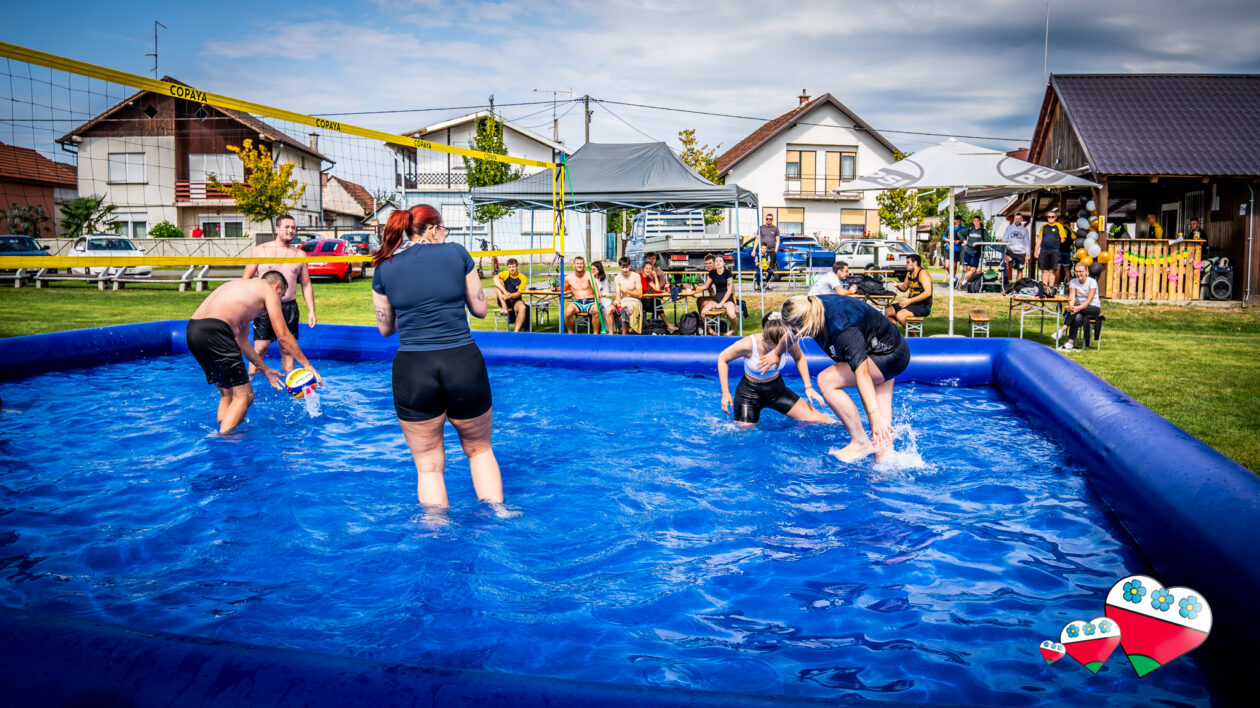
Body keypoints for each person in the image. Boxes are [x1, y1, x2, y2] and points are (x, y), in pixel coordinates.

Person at [370, 204, 504, 511]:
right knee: (480, 450)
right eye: (443, 229)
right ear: (432, 229)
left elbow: (385, 329)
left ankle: (435, 532)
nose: (445, 235)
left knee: (428, 466)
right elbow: (480, 310)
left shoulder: (384, 267)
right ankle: (497, 515)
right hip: (462, 361)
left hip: (414, 368)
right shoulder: (457, 254)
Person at [760, 294, 911, 463]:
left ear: (807, 323)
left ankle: (860, 442)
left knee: (826, 381)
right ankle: (886, 473)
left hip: (889, 356)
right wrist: (777, 352)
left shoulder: (843, 329)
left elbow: (862, 374)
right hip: (886, 345)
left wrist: (874, 415)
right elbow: (792, 332)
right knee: (881, 436)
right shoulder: (811, 306)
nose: (796, 335)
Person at [187, 272, 322, 435]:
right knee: (245, 396)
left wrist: (264, 368)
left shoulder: (243, 292)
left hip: (193, 331)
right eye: (281, 295)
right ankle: (224, 441)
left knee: (227, 393)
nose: (279, 300)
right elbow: (283, 335)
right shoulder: (268, 290)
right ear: (277, 286)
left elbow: (242, 342)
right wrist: (307, 365)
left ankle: (222, 430)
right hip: (216, 331)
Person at [717, 313, 833, 426]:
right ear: (765, 338)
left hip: (777, 391)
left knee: (824, 421)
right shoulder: (748, 344)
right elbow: (723, 358)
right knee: (744, 436)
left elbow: (799, 357)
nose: (779, 351)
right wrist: (725, 393)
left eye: (782, 347)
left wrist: (808, 387)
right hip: (749, 394)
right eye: (774, 347)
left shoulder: (788, 341)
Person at [242, 214, 316, 375]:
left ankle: (290, 381)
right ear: (277, 229)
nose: (291, 231)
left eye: (293, 228)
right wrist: (246, 308)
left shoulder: (299, 255)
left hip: (289, 306)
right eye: (287, 227)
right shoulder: (261, 250)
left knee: (288, 348)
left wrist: (311, 310)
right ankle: (252, 380)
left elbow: (306, 283)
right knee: (261, 347)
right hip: (263, 307)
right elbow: (245, 280)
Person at [1051, 262, 1101, 352]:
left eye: (1081, 271)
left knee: (1076, 311)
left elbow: (1088, 301)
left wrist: (1076, 308)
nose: (1078, 274)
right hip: (1079, 309)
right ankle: (1070, 343)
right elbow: (1072, 298)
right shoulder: (1073, 282)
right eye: (1076, 271)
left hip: (1093, 308)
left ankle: (1062, 329)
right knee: (1077, 317)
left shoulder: (1092, 282)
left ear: (1087, 272)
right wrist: (1071, 306)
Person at [885, 254, 933, 326]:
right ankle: (895, 334)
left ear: (915, 263)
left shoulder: (923, 273)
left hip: (922, 306)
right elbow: (904, 288)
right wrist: (898, 286)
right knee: (886, 312)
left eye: (908, 262)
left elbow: (928, 292)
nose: (906, 265)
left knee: (900, 315)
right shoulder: (909, 273)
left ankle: (914, 337)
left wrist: (910, 300)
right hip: (910, 303)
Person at [696, 252, 737, 334]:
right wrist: (696, 286)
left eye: (720, 261)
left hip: (728, 298)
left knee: (732, 315)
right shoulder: (712, 273)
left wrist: (721, 303)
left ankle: (733, 329)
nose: (718, 263)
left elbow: (729, 290)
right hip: (717, 298)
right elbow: (706, 286)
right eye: (716, 261)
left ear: (724, 263)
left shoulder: (728, 273)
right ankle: (711, 330)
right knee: (703, 313)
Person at [1033, 210, 1069, 292]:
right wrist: (1036, 250)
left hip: (1054, 251)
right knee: (1044, 270)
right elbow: (1040, 238)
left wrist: (1055, 243)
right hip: (1044, 250)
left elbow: (1063, 238)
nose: (1050, 218)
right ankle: (1044, 287)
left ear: (1055, 218)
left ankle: (1051, 287)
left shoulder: (1059, 226)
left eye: (1052, 217)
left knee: (1052, 270)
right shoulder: (1044, 226)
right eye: (1049, 217)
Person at [563, 256, 601, 333]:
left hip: (590, 301)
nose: (579, 265)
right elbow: (563, 288)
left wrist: (596, 303)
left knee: (596, 311)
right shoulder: (568, 278)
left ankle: (595, 335)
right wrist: (554, 287)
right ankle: (570, 334)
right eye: (577, 263)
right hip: (577, 302)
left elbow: (596, 290)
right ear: (573, 265)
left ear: (584, 265)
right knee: (568, 312)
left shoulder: (589, 275)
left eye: (581, 263)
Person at [640, 262, 678, 332]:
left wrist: (655, 277)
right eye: (646, 268)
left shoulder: (648, 279)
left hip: (645, 300)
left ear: (652, 270)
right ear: (643, 269)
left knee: (656, 303)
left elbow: (657, 289)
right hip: (639, 300)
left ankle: (652, 326)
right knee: (657, 304)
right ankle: (666, 324)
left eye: (650, 269)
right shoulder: (639, 276)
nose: (648, 270)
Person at [495, 258, 529, 333]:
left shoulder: (522, 278)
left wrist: (510, 295)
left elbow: (519, 293)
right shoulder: (505, 274)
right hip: (503, 299)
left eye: (513, 266)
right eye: (510, 267)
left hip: (515, 299)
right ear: (507, 268)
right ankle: (504, 307)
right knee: (498, 282)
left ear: (517, 266)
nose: (512, 269)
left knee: (523, 307)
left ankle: (516, 332)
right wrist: (505, 292)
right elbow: (495, 279)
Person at [613, 256, 643, 334]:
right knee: (611, 309)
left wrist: (627, 291)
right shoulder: (617, 278)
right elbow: (618, 295)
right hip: (624, 300)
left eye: (626, 267)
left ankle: (628, 331)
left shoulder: (636, 276)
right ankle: (613, 332)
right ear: (619, 267)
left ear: (629, 266)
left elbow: (640, 294)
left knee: (627, 307)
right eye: (623, 267)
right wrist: (617, 301)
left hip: (635, 301)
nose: (625, 270)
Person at [1003, 213, 1031, 285]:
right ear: (1014, 219)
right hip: (1011, 250)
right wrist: (1003, 243)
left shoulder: (1024, 230)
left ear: (1022, 219)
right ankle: (1005, 280)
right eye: (1016, 218)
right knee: (1005, 262)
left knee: (1020, 270)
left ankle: (1017, 285)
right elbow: (1004, 239)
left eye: (1019, 219)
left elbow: (1027, 242)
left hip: (1021, 252)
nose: (1017, 220)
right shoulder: (1009, 228)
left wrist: (1027, 254)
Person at [754, 213, 780, 288]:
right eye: (767, 219)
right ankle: (758, 283)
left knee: (770, 268)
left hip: (771, 252)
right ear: (765, 219)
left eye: (770, 219)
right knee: (760, 267)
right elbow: (757, 239)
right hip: (761, 252)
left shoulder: (775, 229)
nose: (768, 220)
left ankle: (767, 284)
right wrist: (754, 250)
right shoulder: (761, 228)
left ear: (772, 220)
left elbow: (778, 240)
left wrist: (775, 251)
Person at [591, 260, 617, 333]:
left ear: (599, 269)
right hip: (595, 300)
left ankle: (609, 331)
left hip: (603, 298)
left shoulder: (604, 280)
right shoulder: (590, 279)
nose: (592, 271)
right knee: (602, 308)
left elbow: (606, 293)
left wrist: (601, 295)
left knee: (608, 307)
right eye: (591, 269)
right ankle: (605, 330)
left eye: (594, 269)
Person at [962, 215, 986, 284]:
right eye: (974, 221)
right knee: (968, 268)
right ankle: (970, 283)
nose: (976, 222)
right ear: (973, 222)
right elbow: (959, 233)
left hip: (976, 252)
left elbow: (987, 240)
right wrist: (964, 240)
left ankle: (964, 282)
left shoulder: (983, 231)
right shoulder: (970, 229)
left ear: (980, 221)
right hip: (967, 251)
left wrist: (978, 243)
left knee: (973, 269)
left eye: (977, 221)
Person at [948, 215, 966, 285]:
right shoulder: (949, 228)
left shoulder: (963, 229)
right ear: (954, 220)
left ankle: (953, 279)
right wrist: (950, 240)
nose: (959, 221)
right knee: (947, 265)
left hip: (957, 248)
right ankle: (952, 277)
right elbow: (944, 237)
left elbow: (965, 239)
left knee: (954, 264)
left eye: (960, 220)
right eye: (957, 220)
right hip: (948, 248)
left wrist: (959, 241)